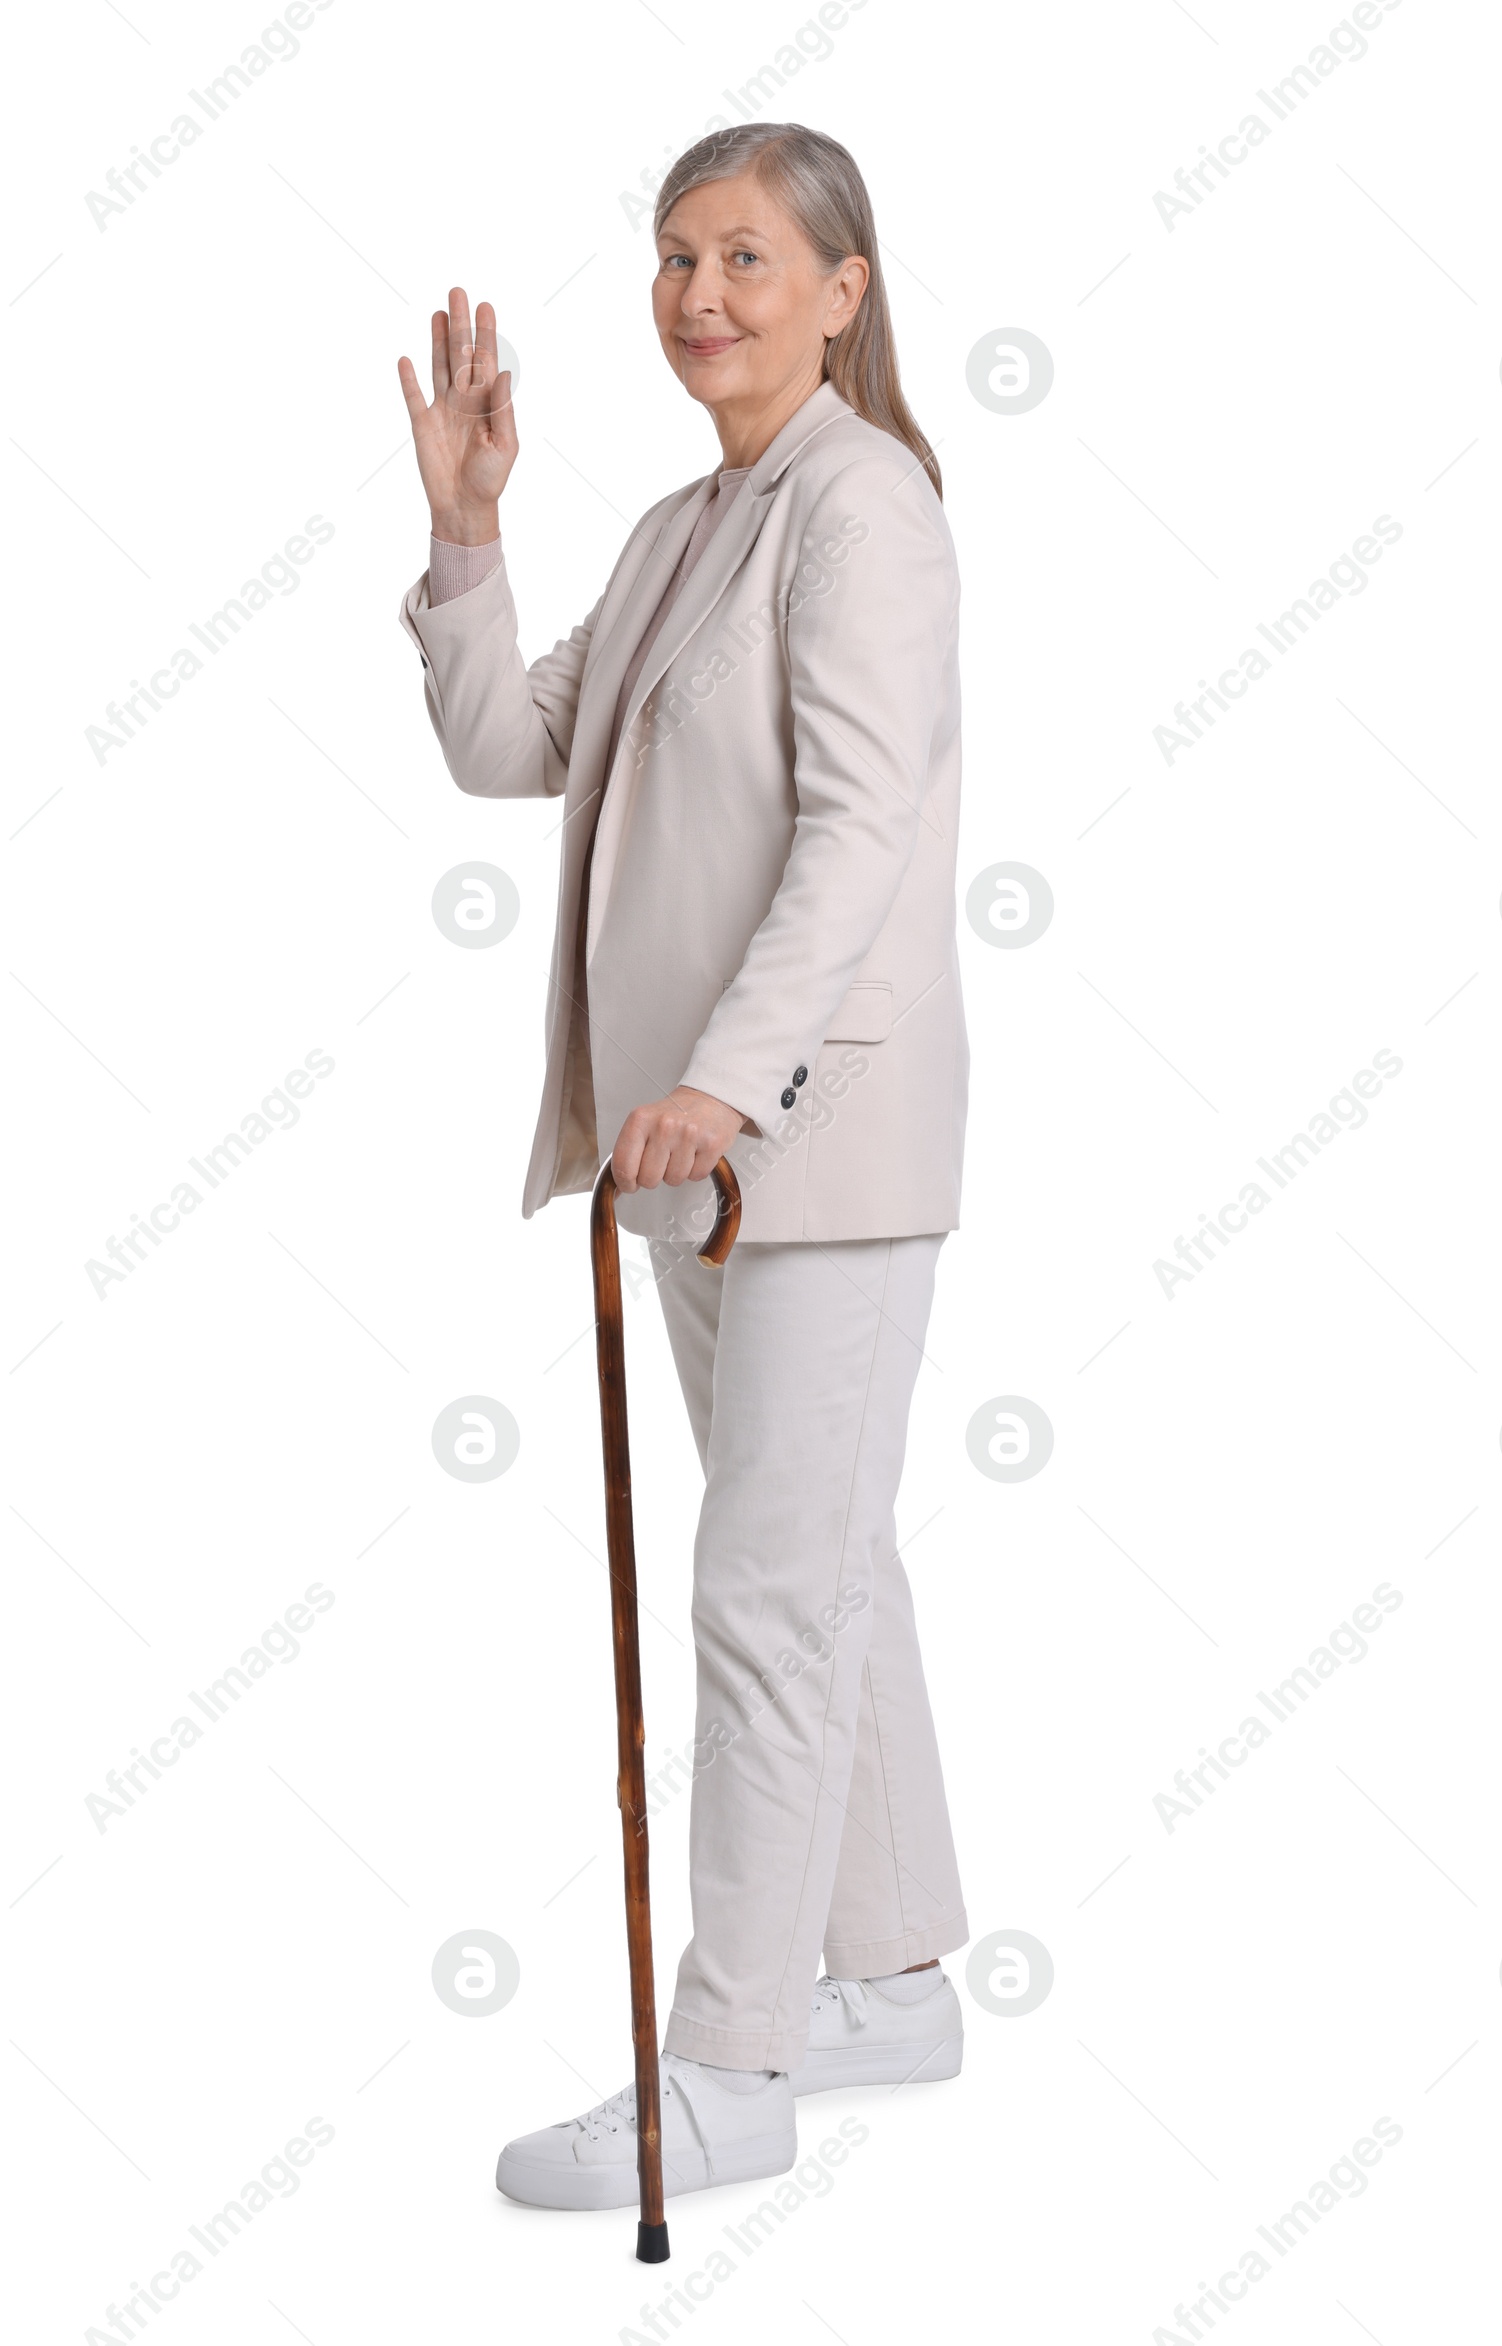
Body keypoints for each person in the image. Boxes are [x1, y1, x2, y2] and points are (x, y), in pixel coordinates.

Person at [397, 121, 970, 2213]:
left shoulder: (866, 507)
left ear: (840, 283)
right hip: (696, 1161)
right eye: (668, 257)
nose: (695, 294)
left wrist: (725, 1085)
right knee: (820, 1561)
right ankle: (889, 1978)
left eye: (741, 254)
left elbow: (857, 830)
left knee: (759, 1594)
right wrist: (467, 540)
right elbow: (504, 746)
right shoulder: (673, 527)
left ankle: (725, 2071)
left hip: (805, 1140)